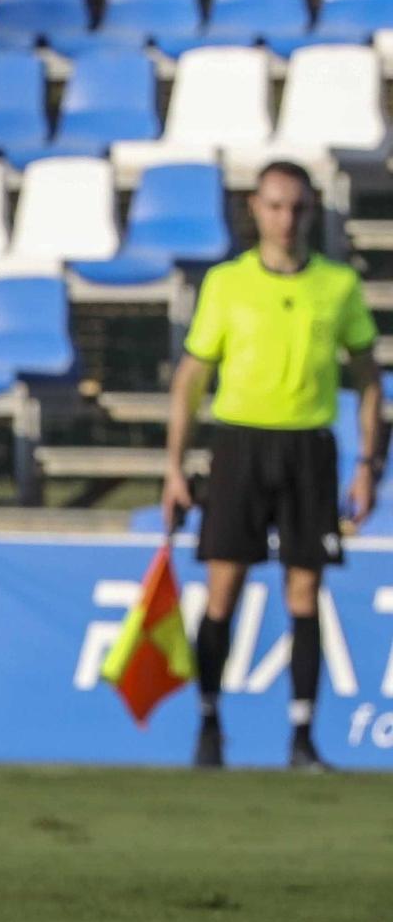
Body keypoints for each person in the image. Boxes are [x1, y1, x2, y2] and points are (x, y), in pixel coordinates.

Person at [164, 160, 383, 771]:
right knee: (223, 588)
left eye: (298, 208)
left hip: (309, 449)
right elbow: (191, 378)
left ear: (312, 212)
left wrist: (369, 464)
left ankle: (303, 737)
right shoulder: (227, 284)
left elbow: (369, 382)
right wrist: (175, 466)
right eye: (275, 206)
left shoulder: (337, 286)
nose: (286, 219)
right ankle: (209, 726)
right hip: (239, 446)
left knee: (305, 589)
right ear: (255, 209)